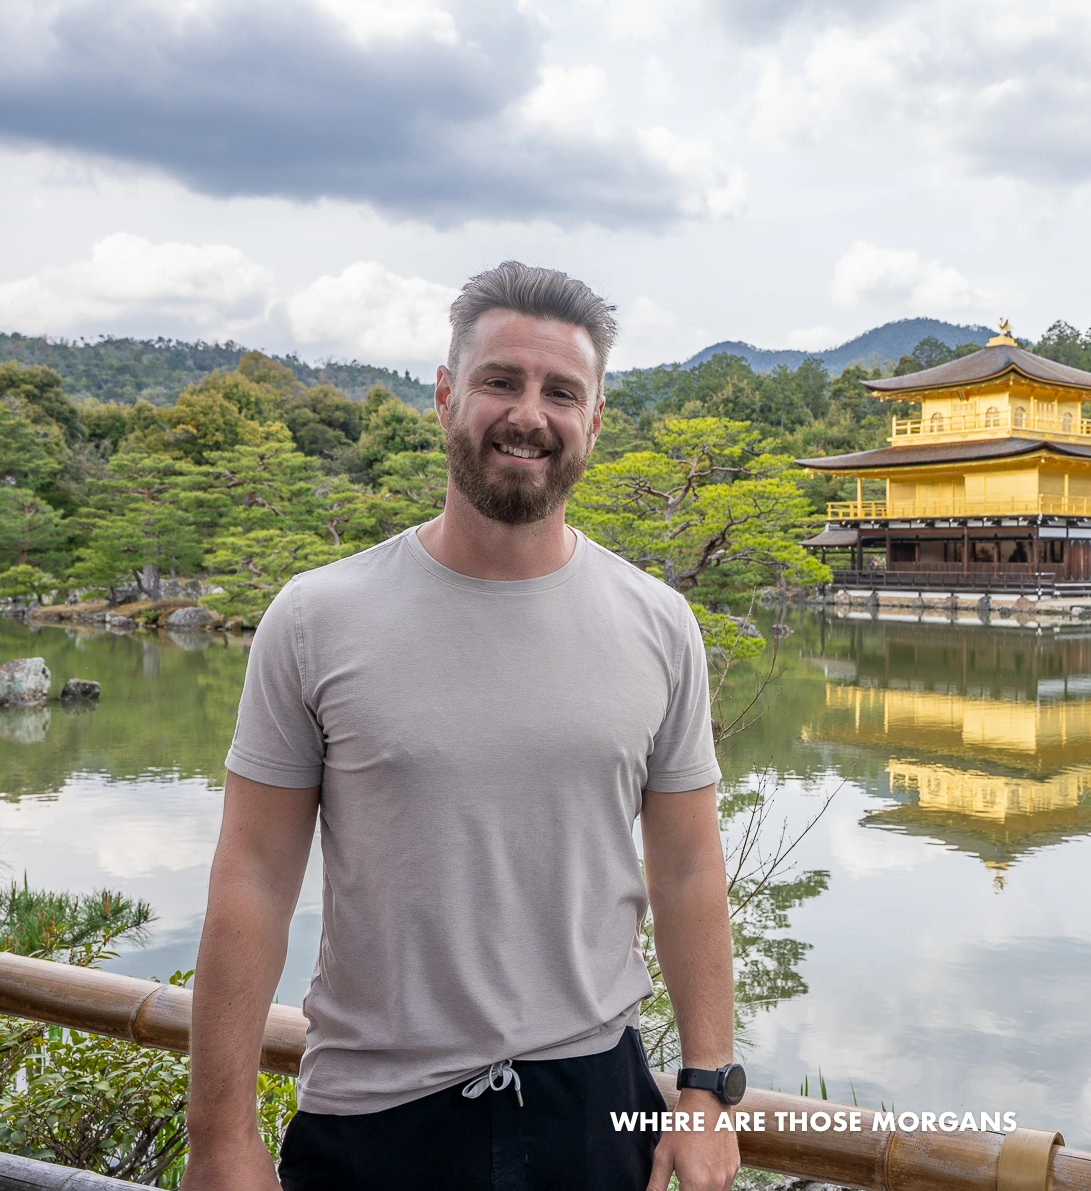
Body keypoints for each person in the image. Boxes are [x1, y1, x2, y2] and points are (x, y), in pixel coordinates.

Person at [184, 262, 741, 1191]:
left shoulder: (658, 624)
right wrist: (220, 1139)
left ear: (595, 420)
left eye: (561, 392)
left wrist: (707, 1088)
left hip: (595, 1103)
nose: (529, 414)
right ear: (446, 397)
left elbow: (687, 866)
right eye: (500, 381)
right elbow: (253, 877)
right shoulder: (318, 618)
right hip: (376, 1111)